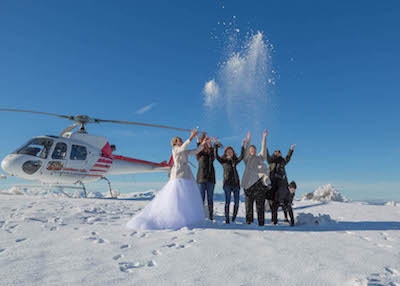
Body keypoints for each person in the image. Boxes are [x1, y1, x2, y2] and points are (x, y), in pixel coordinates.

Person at [126, 129, 210, 230]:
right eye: (179, 140)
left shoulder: (183, 150)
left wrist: (203, 144)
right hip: (178, 174)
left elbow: (195, 151)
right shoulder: (175, 149)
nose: (181, 141)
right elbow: (183, 148)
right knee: (177, 195)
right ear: (175, 143)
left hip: (187, 174)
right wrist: (191, 137)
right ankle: (175, 216)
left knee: (186, 196)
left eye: (181, 140)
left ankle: (187, 217)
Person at [242, 130, 272, 226]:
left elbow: (263, 151)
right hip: (249, 185)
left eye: (254, 150)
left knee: (260, 205)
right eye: (251, 150)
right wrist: (248, 141)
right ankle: (249, 222)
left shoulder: (259, 158)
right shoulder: (247, 159)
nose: (253, 151)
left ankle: (261, 223)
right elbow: (245, 152)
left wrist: (264, 138)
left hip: (259, 185)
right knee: (248, 206)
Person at [214, 138, 245, 224]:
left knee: (237, 203)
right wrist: (216, 145)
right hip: (227, 184)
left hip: (236, 184)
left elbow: (242, 157)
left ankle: (234, 218)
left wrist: (242, 146)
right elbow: (216, 156)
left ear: (233, 152)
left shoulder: (235, 161)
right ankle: (227, 219)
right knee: (227, 202)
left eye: (231, 151)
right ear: (225, 152)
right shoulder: (223, 161)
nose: (229, 152)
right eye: (228, 151)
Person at [266, 136, 295, 223]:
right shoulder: (270, 161)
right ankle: (273, 219)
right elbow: (266, 154)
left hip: (282, 183)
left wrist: (291, 150)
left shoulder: (282, 161)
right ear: (274, 153)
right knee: (272, 202)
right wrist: (265, 146)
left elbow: (288, 158)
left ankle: (286, 217)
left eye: (279, 152)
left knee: (284, 202)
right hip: (272, 183)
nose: (278, 153)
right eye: (276, 152)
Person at [196, 133, 216, 220]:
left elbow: (213, 154)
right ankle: (200, 216)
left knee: (210, 198)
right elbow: (198, 148)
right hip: (201, 179)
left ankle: (211, 216)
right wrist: (198, 140)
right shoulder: (199, 154)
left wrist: (210, 144)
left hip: (211, 179)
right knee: (201, 199)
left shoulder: (211, 156)